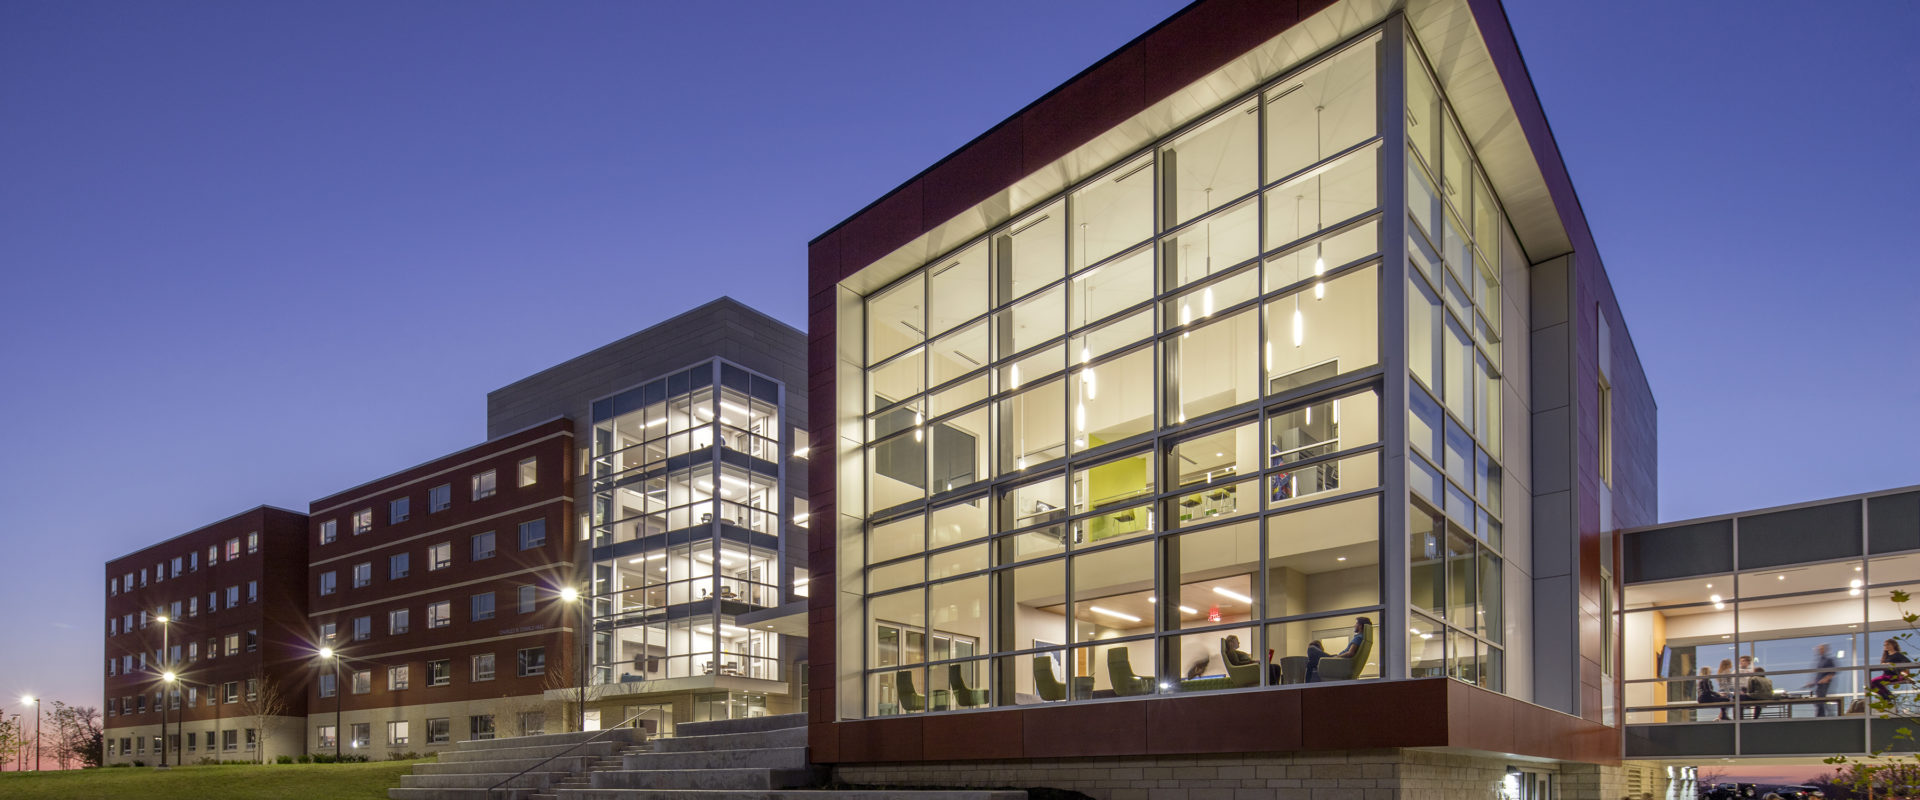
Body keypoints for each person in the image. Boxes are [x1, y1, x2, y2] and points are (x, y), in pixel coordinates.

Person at [1306, 617, 1371, 682]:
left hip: (1338, 661)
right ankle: (1307, 683)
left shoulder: (1358, 638)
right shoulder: (1361, 637)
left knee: (1311, 648)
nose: (1354, 625)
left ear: (1360, 625)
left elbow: (1350, 653)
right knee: (1311, 663)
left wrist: (1337, 657)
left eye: (1356, 623)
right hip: (1339, 660)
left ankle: (1307, 684)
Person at [1871, 638, 1912, 702]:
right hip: (1886, 675)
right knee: (1871, 683)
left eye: (1888, 645)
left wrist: (1893, 664)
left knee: (1874, 681)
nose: (1886, 646)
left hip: (1894, 675)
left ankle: (1887, 696)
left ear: (1893, 645)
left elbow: (1908, 663)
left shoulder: (1898, 654)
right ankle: (1887, 695)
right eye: (1884, 645)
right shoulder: (1885, 656)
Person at [1807, 644, 1837, 716]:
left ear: (1825, 650)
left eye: (1821, 649)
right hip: (1819, 685)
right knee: (1819, 703)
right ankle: (1820, 716)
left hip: (1825, 685)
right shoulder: (1820, 661)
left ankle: (1824, 717)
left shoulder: (1829, 660)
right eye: (1819, 649)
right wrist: (1813, 682)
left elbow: (1833, 672)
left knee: (1821, 702)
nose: (1819, 651)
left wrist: (1825, 679)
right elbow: (1819, 675)